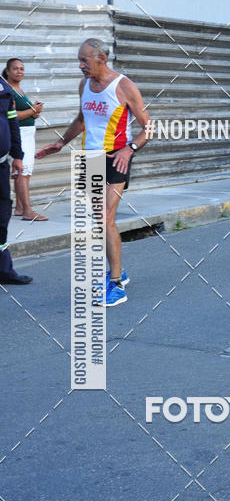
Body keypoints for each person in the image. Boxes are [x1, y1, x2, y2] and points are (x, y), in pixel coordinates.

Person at [35, 38, 150, 306]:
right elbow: (81, 119)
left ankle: (116, 285)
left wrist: (129, 149)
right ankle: (117, 271)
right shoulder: (84, 85)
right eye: (79, 60)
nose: (80, 66)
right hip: (91, 159)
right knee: (102, 221)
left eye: (84, 60)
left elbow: (149, 127)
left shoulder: (124, 86)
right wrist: (61, 142)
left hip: (115, 157)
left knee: (105, 217)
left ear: (100, 58)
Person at [2, 58, 47, 220]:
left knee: (25, 172)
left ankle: (20, 208)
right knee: (23, 171)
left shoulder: (18, 89)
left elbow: (25, 114)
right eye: (15, 69)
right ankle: (28, 211)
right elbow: (12, 116)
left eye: (22, 68)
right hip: (19, 135)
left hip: (28, 133)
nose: (19, 71)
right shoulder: (8, 90)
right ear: (7, 71)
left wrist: (35, 113)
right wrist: (32, 110)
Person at [0, 75, 32, 285]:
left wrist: (18, 155)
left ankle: (3, 270)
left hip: (1, 164)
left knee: (2, 216)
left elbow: (12, 120)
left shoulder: (2, 85)